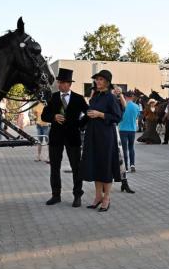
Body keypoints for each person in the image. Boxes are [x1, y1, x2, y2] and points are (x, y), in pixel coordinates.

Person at [42, 68, 89, 207]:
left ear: (69, 84)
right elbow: (44, 116)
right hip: (56, 138)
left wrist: (80, 125)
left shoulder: (78, 98)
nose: (59, 85)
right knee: (54, 168)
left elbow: (88, 113)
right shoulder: (53, 97)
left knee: (76, 167)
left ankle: (77, 195)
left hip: (73, 137)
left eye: (62, 82)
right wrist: (53, 117)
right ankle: (56, 195)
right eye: (59, 82)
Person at [80, 70, 122, 212]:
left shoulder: (111, 98)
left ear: (107, 82)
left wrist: (100, 114)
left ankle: (107, 198)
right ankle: (98, 196)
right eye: (97, 79)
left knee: (105, 166)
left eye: (101, 80)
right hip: (92, 135)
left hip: (105, 137)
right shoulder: (95, 97)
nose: (98, 82)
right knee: (96, 166)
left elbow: (117, 117)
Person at [119, 90, 141, 172]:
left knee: (124, 149)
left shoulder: (122, 105)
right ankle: (133, 165)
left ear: (125, 97)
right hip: (132, 129)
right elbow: (136, 117)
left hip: (123, 129)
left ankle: (126, 167)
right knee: (131, 148)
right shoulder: (136, 106)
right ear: (132, 97)